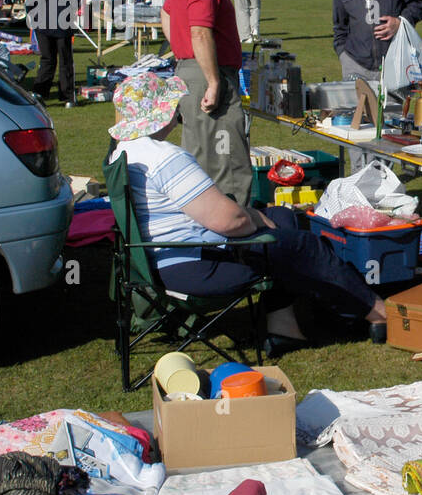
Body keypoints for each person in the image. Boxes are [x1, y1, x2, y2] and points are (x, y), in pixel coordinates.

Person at [108, 72, 389, 355]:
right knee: (303, 246)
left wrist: (258, 217)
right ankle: (374, 310)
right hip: (194, 266)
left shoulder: (125, 151)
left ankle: (285, 328)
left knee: (283, 218)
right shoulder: (163, 157)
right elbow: (229, 221)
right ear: (163, 112)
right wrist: (254, 218)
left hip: (159, 259)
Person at [164, 0, 254, 205]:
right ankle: (231, 239)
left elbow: (166, 14)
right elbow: (200, 32)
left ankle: (208, 237)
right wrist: (213, 81)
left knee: (201, 159)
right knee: (226, 166)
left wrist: (182, 54)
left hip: (192, 70)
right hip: (208, 74)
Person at [26, 0, 82, 106]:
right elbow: (76, 0)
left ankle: (39, 93)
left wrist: (35, 18)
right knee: (66, 61)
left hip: (43, 24)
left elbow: (31, 0)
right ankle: (68, 97)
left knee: (47, 60)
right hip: (63, 23)